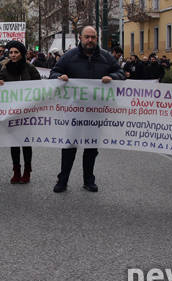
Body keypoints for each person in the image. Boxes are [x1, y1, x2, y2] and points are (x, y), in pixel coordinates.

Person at [49, 25, 125, 193]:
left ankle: (89, 180)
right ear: (80, 38)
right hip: (74, 111)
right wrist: (59, 77)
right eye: (87, 37)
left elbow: (121, 72)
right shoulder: (69, 56)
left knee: (91, 148)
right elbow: (54, 73)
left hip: (96, 112)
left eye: (93, 37)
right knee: (69, 147)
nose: (90, 40)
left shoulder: (106, 57)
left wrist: (112, 77)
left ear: (96, 39)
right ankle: (62, 180)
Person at [0, 40, 41, 184]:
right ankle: (16, 170)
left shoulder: (30, 68)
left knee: (25, 143)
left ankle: (27, 170)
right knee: (14, 142)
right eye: (11, 53)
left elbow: (40, 86)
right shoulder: (5, 68)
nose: (13, 55)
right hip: (12, 111)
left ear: (22, 53)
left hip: (27, 111)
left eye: (16, 52)